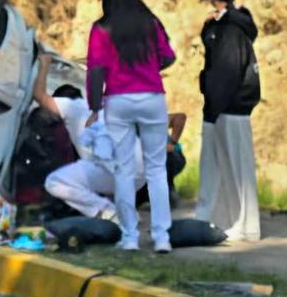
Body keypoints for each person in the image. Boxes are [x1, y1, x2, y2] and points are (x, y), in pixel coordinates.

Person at [36, 55, 186, 220]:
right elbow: (179, 117)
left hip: (123, 170)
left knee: (56, 181)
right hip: (141, 175)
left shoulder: (72, 107)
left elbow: (40, 95)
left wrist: (44, 64)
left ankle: (112, 213)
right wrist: (171, 144)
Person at [87, 0, 175, 253]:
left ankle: (130, 238)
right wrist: (149, 66)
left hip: (118, 101)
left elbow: (96, 71)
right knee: (157, 170)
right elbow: (169, 57)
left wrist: (94, 106)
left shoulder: (101, 28)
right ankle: (162, 238)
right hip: (151, 98)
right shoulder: (151, 23)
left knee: (124, 171)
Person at [195, 0, 262, 242]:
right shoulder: (229, 25)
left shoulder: (231, 28)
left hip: (230, 105)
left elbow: (226, 70)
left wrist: (215, 101)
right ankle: (229, 220)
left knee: (238, 169)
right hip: (224, 105)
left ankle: (246, 225)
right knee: (226, 166)